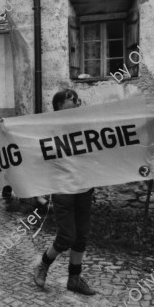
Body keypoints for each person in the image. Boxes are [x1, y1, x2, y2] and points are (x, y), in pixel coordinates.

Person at [33, 89, 97, 295]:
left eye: (78, 100)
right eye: (73, 100)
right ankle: (43, 265)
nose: (78, 103)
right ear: (60, 105)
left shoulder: (84, 123)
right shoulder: (48, 127)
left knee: (82, 236)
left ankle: (74, 279)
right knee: (67, 236)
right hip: (63, 189)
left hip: (84, 187)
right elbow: (33, 152)